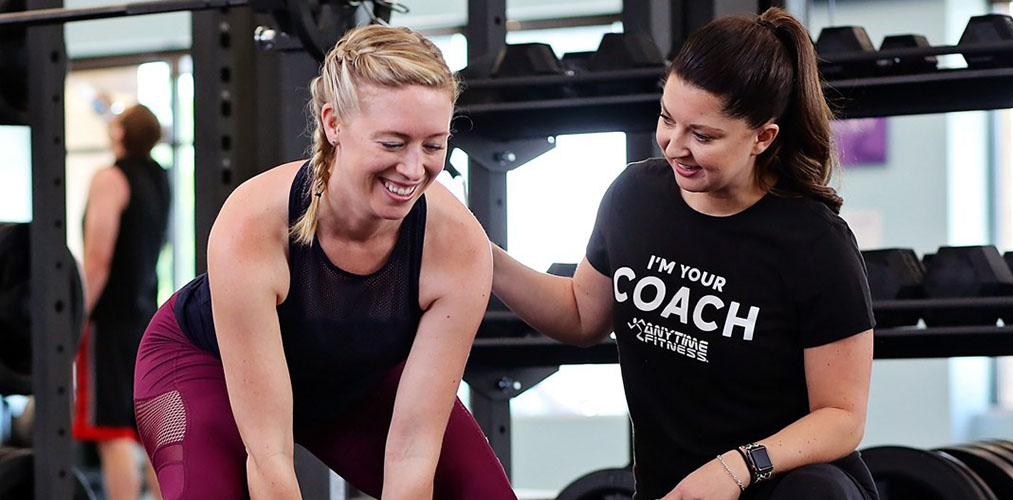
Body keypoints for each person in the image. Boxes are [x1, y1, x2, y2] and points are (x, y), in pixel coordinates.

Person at [492, 8, 878, 500]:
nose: (674, 146)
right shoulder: (635, 196)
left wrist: (737, 467)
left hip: (783, 487)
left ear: (763, 137)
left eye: (703, 135)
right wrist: (483, 258)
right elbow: (581, 315)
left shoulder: (815, 243)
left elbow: (842, 418)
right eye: (667, 119)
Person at [133, 24, 517, 500]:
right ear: (334, 124)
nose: (415, 169)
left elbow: (413, 451)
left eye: (434, 145)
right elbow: (269, 455)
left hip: (352, 381)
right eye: (393, 143)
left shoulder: (456, 245)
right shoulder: (254, 222)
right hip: (204, 366)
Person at [74, 103, 171, 500]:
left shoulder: (110, 178)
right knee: (146, 431)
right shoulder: (160, 178)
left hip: (110, 321)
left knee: (113, 434)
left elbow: (98, 257)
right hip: (148, 317)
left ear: (118, 135)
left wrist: (75, 316)